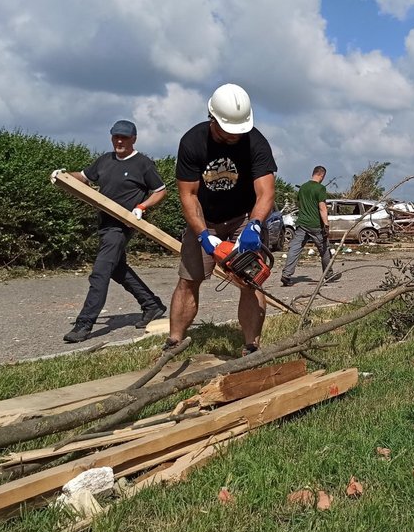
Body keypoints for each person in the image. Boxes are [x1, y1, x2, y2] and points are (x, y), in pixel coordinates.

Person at [166, 83, 278, 356]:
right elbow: (189, 196)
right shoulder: (192, 142)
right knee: (189, 279)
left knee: (250, 282)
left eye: (239, 131)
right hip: (205, 218)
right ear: (212, 118)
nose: (234, 137)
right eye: (228, 132)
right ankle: (173, 343)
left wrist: (254, 224)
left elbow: (266, 192)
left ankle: (251, 346)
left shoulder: (255, 142)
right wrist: (203, 235)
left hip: (243, 217)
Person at [52, 120, 168, 343]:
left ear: (134, 139)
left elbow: (160, 190)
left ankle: (84, 323)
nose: (119, 141)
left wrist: (141, 207)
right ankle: (151, 305)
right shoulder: (105, 160)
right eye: (116, 136)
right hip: (105, 224)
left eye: (124, 137)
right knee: (117, 269)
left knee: (101, 272)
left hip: (121, 226)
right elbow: (84, 177)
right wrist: (64, 175)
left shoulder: (143, 163)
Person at [280, 165, 331, 287]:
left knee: (294, 249)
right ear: (322, 175)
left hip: (302, 224)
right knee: (324, 249)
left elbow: (300, 204)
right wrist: (326, 225)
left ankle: (286, 275)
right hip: (315, 225)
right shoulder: (320, 188)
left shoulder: (303, 188)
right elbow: (322, 208)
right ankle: (328, 274)